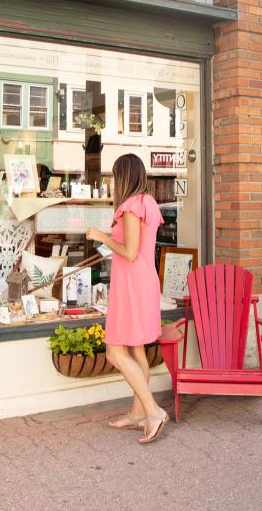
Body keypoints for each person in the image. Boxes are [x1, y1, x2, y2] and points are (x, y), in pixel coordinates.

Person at [86, 154, 169, 444]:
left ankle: (153, 411)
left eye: (115, 176)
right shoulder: (148, 203)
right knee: (136, 351)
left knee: (115, 352)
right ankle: (137, 414)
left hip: (131, 287)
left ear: (123, 176)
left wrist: (101, 236)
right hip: (143, 283)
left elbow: (130, 251)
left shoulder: (131, 206)